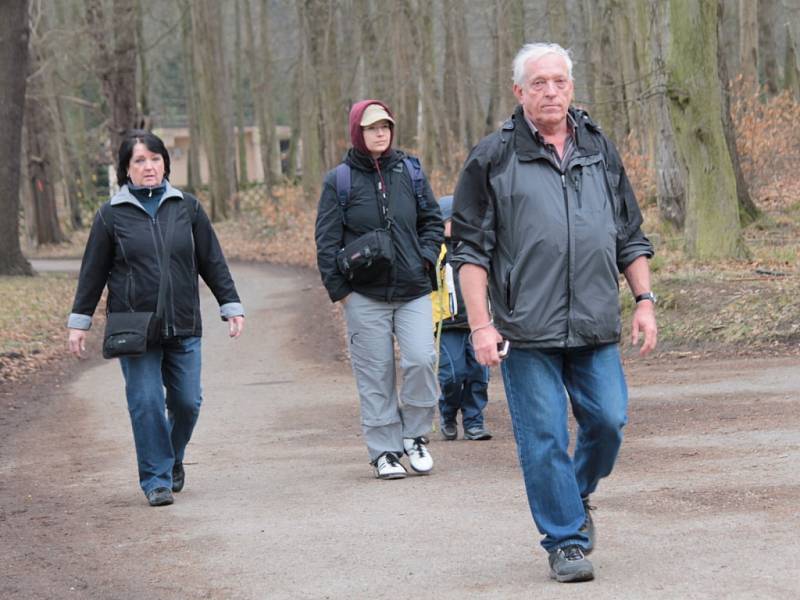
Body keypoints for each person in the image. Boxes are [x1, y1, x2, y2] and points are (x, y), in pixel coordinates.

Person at [450, 43, 657, 582]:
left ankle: (576, 493)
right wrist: (480, 324)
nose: (550, 91)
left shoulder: (598, 147)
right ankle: (565, 540)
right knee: (542, 438)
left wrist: (644, 300)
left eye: (559, 81)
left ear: (571, 86)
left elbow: (629, 234)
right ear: (519, 92)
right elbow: (469, 251)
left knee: (608, 422)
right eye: (538, 82)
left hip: (593, 324)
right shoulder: (492, 157)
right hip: (524, 331)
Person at [67, 129, 244, 507]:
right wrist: (79, 321)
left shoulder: (188, 208)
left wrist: (230, 304)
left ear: (165, 163)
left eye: (155, 159)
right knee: (146, 403)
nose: (149, 167)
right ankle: (156, 479)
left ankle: (171, 457)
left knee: (187, 403)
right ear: (126, 170)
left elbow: (211, 260)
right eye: (140, 161)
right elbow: (92, 272)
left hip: (183, 324)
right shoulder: (110, 215)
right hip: (134, 328)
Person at [315, 100, 444, 480]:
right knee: (376, 376)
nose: (381, 133)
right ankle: (384, 452)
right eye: (372, 128)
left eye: (385, 126)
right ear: (358, 132)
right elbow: (326, 241)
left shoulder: (411, 171)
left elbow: (433, 221)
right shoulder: (339, 180)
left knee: (422, 359)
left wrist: (423, 258)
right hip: (364, 296)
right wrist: (342, 293)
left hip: (413, 290)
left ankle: (415, 436)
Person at [431, 195, 491, 442]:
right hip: (446, 323)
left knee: (479, 373)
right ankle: (447, 412)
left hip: (476, 323)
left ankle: (474, 421)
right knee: (452, 375)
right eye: (449, 219)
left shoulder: (477, 247)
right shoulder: (433, 251)